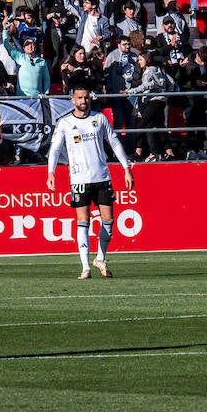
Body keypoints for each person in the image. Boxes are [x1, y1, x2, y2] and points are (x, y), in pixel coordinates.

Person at [46, 85, 135, 279]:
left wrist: (126, 169)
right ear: (72, 100)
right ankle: (85, 266)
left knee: (108, 221)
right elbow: (54, 149)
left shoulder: (99, 118)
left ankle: (100, 258)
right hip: (79, 179)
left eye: (86, 98)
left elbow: (114, 142)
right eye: (79, 98)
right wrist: (51, 172)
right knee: (83, 221)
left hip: (102, 177)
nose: (83, 101)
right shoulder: (65, 123)